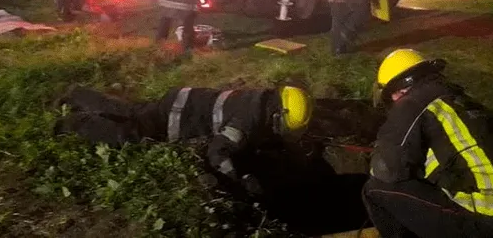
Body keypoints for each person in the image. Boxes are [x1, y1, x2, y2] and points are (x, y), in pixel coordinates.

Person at [363, 49, 493, 238]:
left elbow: (386, 170)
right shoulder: (460, 101)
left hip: (491, 220)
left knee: (374, 189)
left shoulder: (412, 103)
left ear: (397, 91)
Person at [53, 84, 313, 194]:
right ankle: (74, 123)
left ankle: (78, 94)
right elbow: (217, 152)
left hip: (180, 101)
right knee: (128, 135)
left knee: (129, 111)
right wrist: (240, 179)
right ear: (278, 116)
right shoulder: (247, 123)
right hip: (175, 118)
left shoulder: (260, 99)